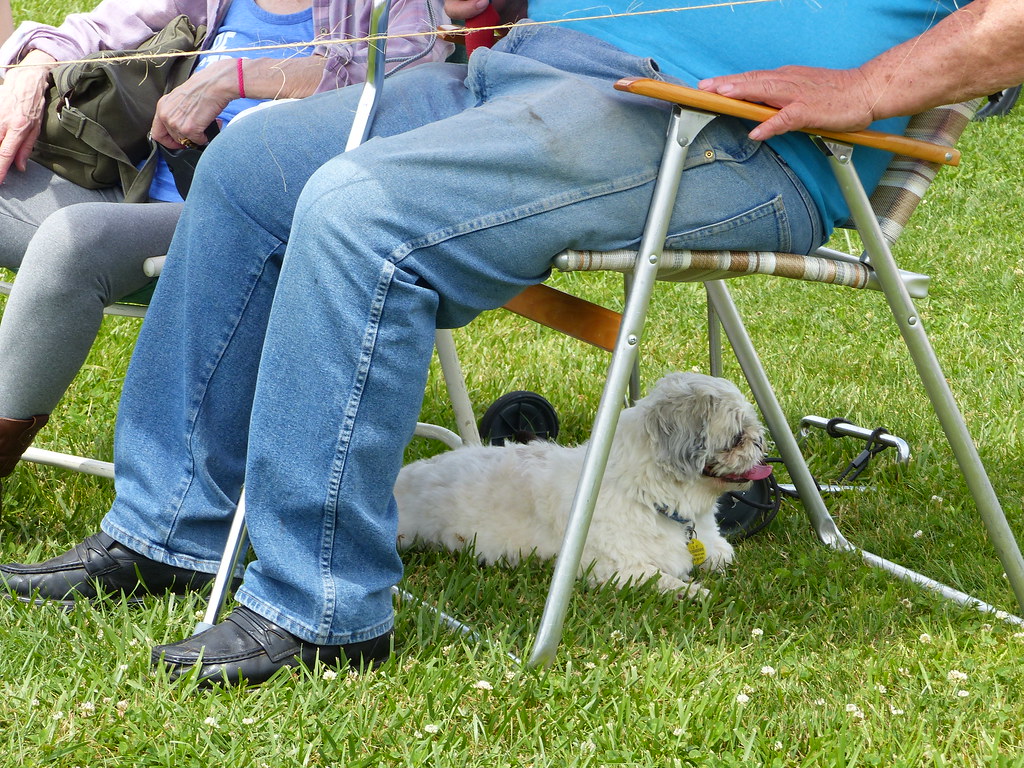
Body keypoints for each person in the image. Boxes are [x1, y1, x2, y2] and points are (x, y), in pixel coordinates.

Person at [2, 0, 1019, 687]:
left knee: (364, 210)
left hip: (728, 128)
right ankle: (171, 527)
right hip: (541, 67)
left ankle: (321, 605)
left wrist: (875, 85)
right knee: (253, 166)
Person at [0, 0, 451, 478]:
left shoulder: (390, 6)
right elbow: (94, 28)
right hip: (133, 190)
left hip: (243, 223)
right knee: (67, 231)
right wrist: (32, 72)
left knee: (75, 242)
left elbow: (411, 80)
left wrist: (240, 77)